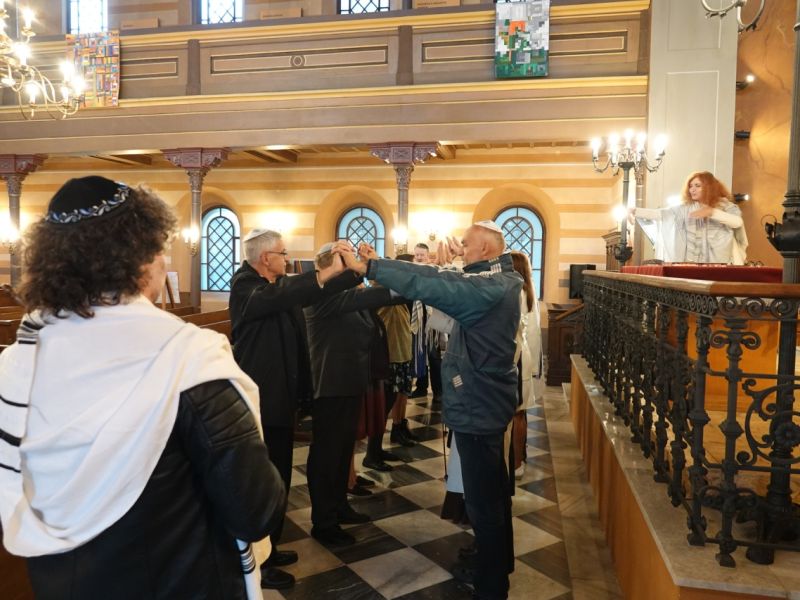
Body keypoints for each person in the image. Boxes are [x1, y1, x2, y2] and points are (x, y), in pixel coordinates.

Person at [0, 176, 285, 600]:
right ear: (141, 259)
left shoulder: (16, 365)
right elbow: (255, 508)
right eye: (160, 249)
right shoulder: (188, 360)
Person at [339, 222, 521, 600]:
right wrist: (390, 264)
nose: (460, 249)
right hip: (484, 403)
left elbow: (437, 285)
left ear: (486, 249)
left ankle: (491, 588)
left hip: (478, 405)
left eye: (466, 245)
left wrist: (372, 268)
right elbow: (440, 277)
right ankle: (498, 568)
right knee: (491, 496)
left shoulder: (490, 287)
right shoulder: (495, 279)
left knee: (483, 504)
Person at [229, 230, 362, 589]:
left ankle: (270, 548)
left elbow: (311, 292)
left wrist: (351, 271)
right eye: (283, 253)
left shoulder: (273, 286)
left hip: (280, 399)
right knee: (264, 482)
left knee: (280, 477)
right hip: (262, 401)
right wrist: (325, 271)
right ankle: (259, 563)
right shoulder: (245, 286)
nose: (287, 259)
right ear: (264, 258)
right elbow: (286, 293)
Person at [304, 244, 405, 547]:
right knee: (327, 454)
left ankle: (339, 506)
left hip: (349, 384)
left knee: (342, 450)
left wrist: (384, 270)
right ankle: (324, 522)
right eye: (347, 262)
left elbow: (375, 299)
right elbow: (378, 296)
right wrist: (373, 270)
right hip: (330, 386)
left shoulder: (347, 295)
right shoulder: (321, 295)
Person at [634, 170, 748, 264]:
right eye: (690, 186)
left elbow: (737, 222)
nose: (692, 189)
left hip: (724, 263)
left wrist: (711, 212)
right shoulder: (685, 208)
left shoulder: (725, 205)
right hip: (694, 263)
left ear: (709, 187)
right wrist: (635, 211)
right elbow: (661, 214)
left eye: (697, 186)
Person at [509, 251, 544, 480]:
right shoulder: (528, 291)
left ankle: (516, 462)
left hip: (517, 357)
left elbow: (530, 331)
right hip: (524, 357)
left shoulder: (517, 293)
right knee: (519, 413)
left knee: (516, 413)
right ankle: (519, 456)